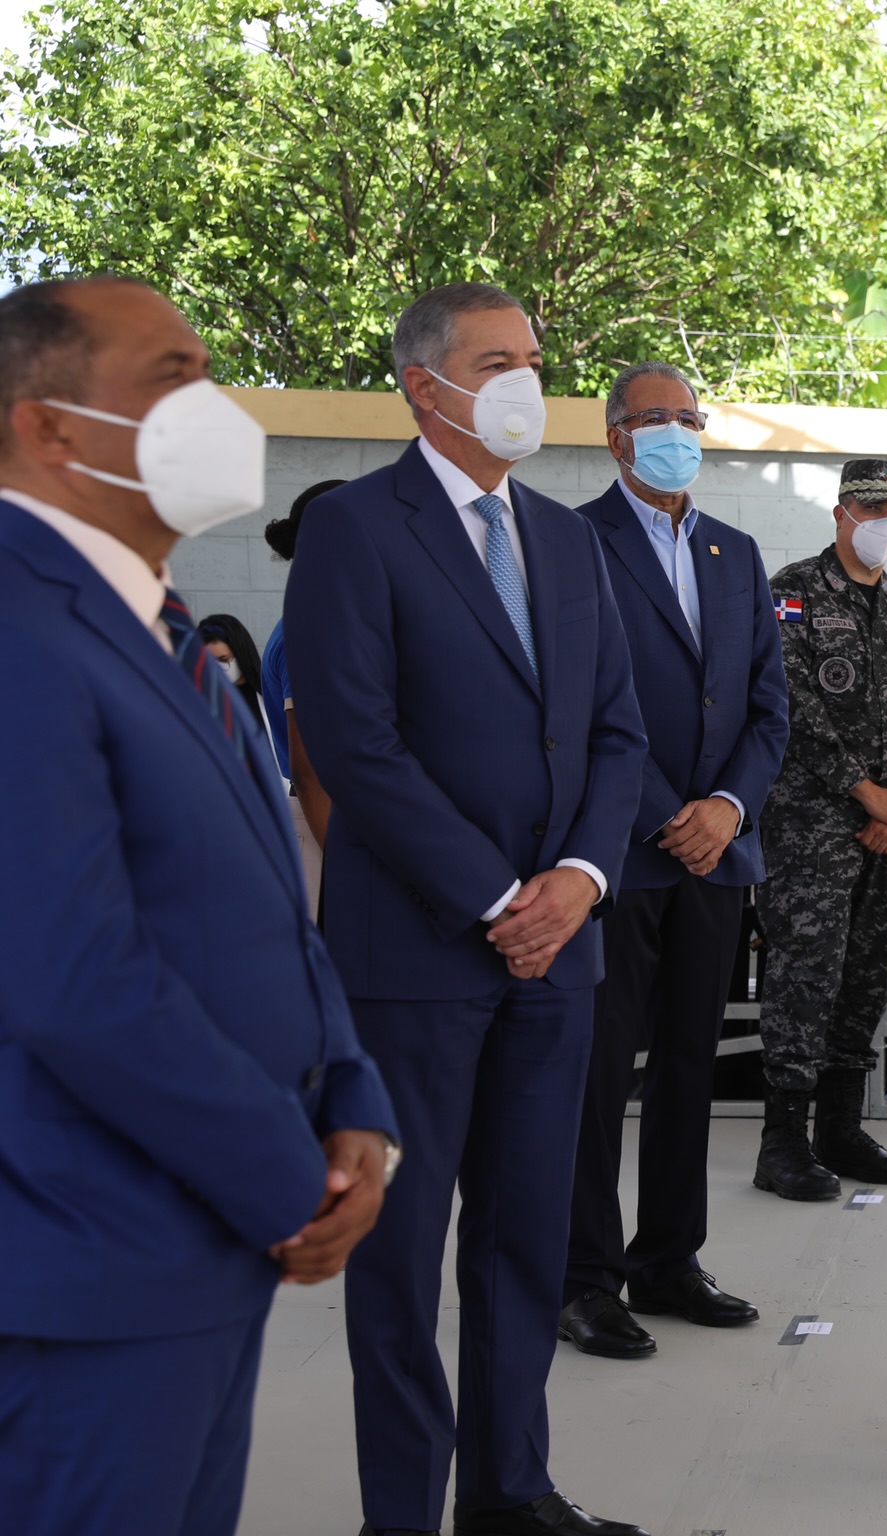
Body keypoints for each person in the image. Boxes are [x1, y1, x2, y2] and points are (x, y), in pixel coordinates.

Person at [0, 276, 398, 1536]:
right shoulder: (19, 628)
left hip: (197, 1255)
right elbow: (74, 979)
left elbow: (268, 900)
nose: (215, 407)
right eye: (174, 376)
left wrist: (352, 1102)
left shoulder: (162, 627)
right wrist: (288, 1178)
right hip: (87, 1268)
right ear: (47, 426)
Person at [286, 282, 650, 1536]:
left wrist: (579, 880)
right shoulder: (355, 529)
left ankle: (511, 1491)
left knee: (526, 1237)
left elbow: (617, 733)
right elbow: (355, 742)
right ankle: (403, 1514)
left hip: (559, 960)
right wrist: (499, 896)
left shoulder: (566, 539)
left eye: (533, 360)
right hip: (416, 957)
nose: (525, 384)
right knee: (399, 1260)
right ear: (423, 384)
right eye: (497, 362)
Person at [561, 363, 790, 1358]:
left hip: (716, 857)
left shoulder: (735, 551)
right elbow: (577, 701)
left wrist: (727, 809)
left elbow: (768, 704)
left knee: (692, 1067)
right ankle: (584, 1278)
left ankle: (668, 1259)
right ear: (616, 436)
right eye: (657, 418)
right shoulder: (572, 541)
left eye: (691, 418)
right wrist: (668, 814)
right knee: (598, 1073)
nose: (678, 433)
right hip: (620, 854)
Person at [750, 457, 887, 1200]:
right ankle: (782, 1143)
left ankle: (839, 1128)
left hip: (885, 835)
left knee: (867, 977)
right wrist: (864, 793)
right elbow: (787, 702)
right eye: (871, 508)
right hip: (811, 830)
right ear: (840, 511)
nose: (883, 523)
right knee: (804, 976)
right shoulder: (792, 593)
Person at [261, 478, 349, 914]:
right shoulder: (314, 627)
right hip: (327, 826)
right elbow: (311, 771)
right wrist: (350, 871)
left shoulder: (331, 618)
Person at [196, 612, 268, 741]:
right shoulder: (202, 701)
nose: (216, 668)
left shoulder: (269, 697)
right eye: (209, 661)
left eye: (223, 660)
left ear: (240, 655)